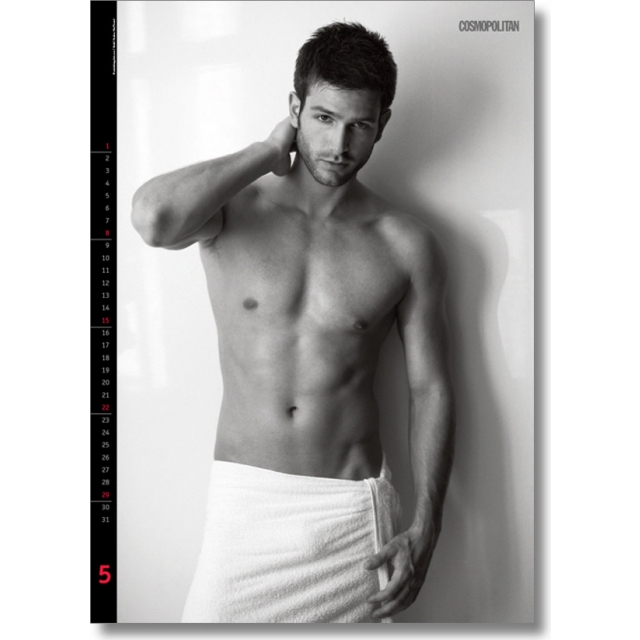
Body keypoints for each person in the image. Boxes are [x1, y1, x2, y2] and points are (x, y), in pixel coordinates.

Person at [131, 21, 455, 623]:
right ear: (295, 108)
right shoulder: (231, 213)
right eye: (324, 118)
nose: (339, 144)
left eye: (360, 125)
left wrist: (426, 527)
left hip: (351, 517)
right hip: (245, 510)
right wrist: (264, 152)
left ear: (382, 124)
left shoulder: (405, 243)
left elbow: (430, 387)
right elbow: (153, 219)